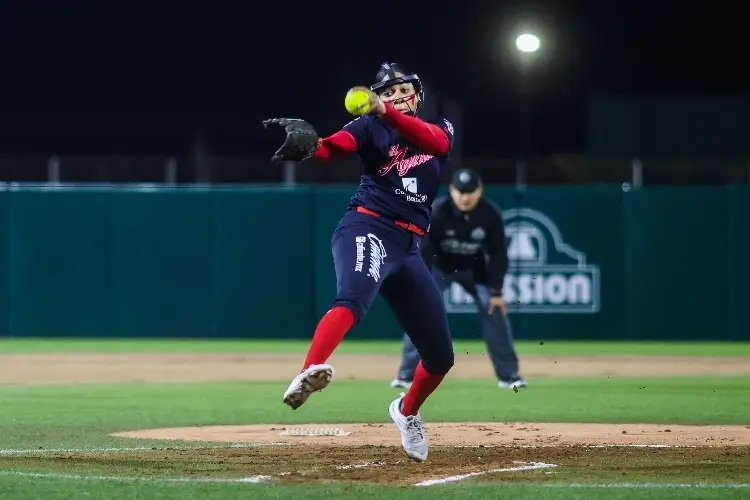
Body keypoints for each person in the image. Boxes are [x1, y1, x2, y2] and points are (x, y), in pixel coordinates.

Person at [262, 62, 456, 462]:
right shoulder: (368, 127)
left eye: (404, 90)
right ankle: (308, 371)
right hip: (367, 225)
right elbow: (337, 147)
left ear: (416, 95)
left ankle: (406, 411)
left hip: (409, 245)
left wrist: (383, 111)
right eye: (388, 93)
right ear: (377, 99)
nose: (398, 96)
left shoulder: (439, 127)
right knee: (353, 299)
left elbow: (435, 144)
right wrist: (314, 147)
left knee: (440, 357)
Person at [390, 168, 527, 390]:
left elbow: (498, 254)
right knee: (421, 312)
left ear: (479, 191)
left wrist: (497, 292)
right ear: (452, 191)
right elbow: (422, 251)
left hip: (475, 271)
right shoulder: (436, 212)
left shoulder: (489, 214)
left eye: (470, 191)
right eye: (460, 191)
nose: (465, 196)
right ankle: (406, 375)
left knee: (495, 310)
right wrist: (419, 288)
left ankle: (509, 376)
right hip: (439, 268)